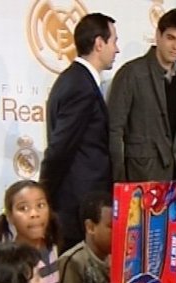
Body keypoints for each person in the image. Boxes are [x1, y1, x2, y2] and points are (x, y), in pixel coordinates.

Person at [39, 13, 119, 252]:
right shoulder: (80, 85)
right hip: (78, 208)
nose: (117, 49)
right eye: (114, 41)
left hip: (80, 206)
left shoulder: (76, 80)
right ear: (99, 43)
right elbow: (60, 149)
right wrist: (45, 197)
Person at [108, 9, 176, 184]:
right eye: (171, 38)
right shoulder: (131, 73)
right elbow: (114, 130)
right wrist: (119, 180)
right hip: (140, 177)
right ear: (158, 35)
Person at [0, 180, 61, 283]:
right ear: (10, 216)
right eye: (23, 208)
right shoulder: (11, 260)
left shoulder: (53, 247)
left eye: (40, 205)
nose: (34, 214)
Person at [58, 191, 123, 283]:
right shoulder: (73, 262)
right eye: (112, 227)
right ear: (90, 227)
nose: (119, 232)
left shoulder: (122, 258)